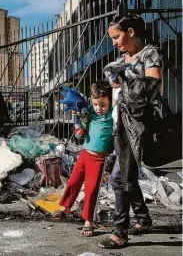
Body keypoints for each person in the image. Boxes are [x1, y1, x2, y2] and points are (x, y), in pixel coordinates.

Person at [99, 13, 163, 249]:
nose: (114, 42)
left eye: (116, 37)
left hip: (139, 124)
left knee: (120, 177)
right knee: (126, 174)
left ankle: (119, 232)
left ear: (131, 32)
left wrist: (124, 73)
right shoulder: (125, 57)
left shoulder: (149, 54)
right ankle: (143, 219)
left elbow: (151, 87)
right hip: (122, 123)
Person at [54, 80, 114, 237]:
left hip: (99, 159)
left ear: (110, 100)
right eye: (95, 104)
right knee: (73, 181)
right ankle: (66, 207)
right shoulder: (90, 111)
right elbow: (80, 132)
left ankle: (89, 220)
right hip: (84, 154)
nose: (98, 109)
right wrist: (77, 116)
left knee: (92, 189)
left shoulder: (112, 115)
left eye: (102, 105)